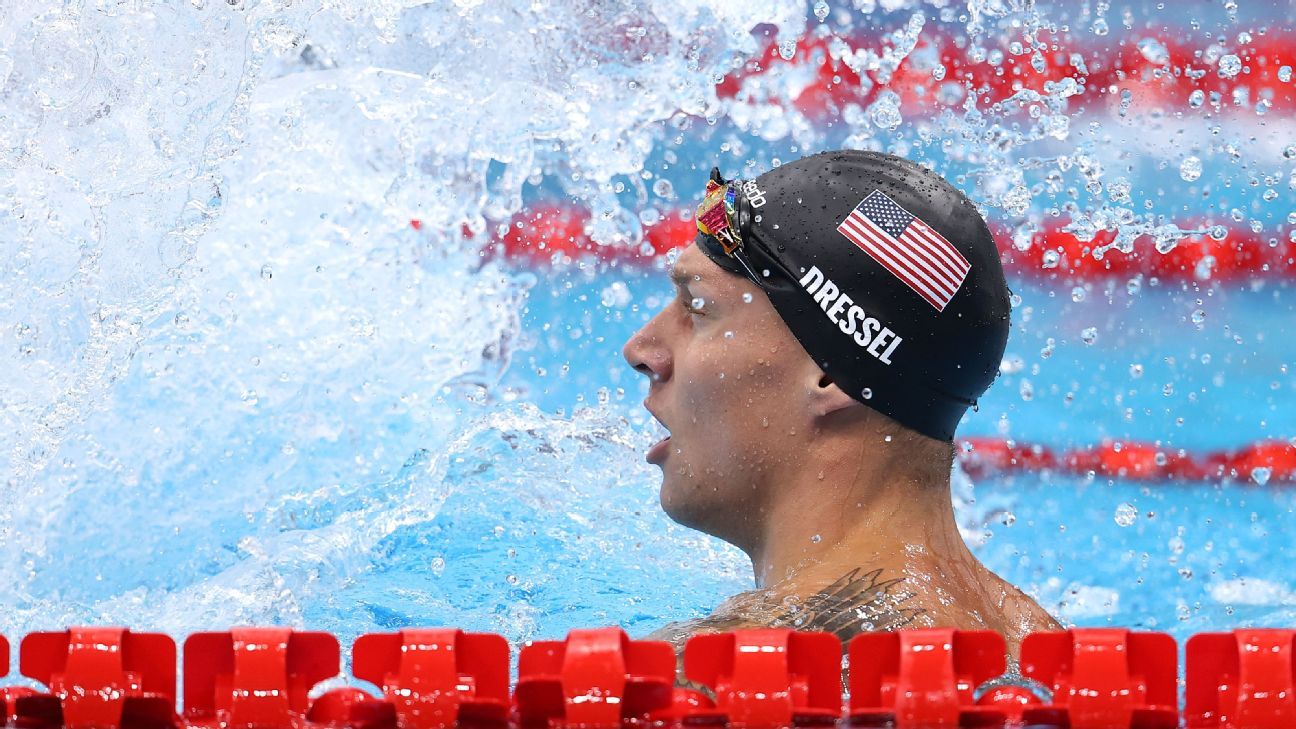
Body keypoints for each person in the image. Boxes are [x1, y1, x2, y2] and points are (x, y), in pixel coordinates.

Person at [621, 150, 1061, 664]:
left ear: (830, 374)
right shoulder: (1037, 641)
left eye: (698, 308)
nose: (641, 350)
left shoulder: (741, 661)